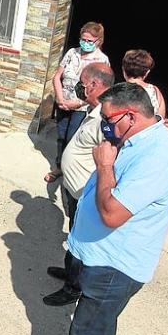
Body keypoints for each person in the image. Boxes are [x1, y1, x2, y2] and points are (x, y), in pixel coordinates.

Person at [26, 83, 168, 335]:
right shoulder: (140, 140)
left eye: (109, 119)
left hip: (116, 265)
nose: (104, 126)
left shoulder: (156, 157)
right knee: (102, 326)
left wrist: (104, 166)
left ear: (131, 115)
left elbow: (113, 213)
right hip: (104, 257)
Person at [42, 66, 118, 306]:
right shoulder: (94, 109)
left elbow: (110, 159)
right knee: (75, 234)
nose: (78, 86)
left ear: (94, 85)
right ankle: (71, 272)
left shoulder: (107, 119)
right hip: (75, 191)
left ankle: (74, 287)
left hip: (86, 194)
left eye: (82, 82)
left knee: (81, 240)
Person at [46, 22, 109, 183]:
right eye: (83, 39)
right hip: (63, 103)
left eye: (90, 41)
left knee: (74, 138)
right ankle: (59, 167)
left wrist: (78, 103)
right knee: (61, 136)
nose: (85, 43)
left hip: (82, 108)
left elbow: (100, 91)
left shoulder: (101, 60)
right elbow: (57, 77)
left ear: (98, 41)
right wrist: (60, 98)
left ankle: (71, 170)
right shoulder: (72, 53)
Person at [119, 50, 164, 118]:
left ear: (123, 70)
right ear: (147, 72)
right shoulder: (155, 91)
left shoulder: (117, 91)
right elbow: (161, 117)